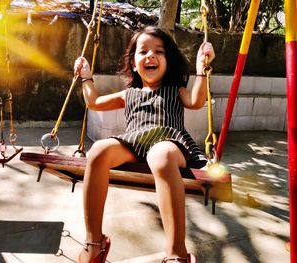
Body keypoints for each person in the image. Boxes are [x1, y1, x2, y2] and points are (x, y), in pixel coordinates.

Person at [74, 25, 215, 263]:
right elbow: (95, 102)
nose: (150, 56)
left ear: (168, 60)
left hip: (170, 143)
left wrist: (202, 69)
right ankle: (94, 242)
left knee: (159, 155)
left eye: (159, 51)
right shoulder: (128, 94)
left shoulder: (175, 90)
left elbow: (196, 101)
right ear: (133, 61)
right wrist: (86, 77)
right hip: (134, 142)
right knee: (97, 150)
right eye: (143, 52)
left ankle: (176, 253)